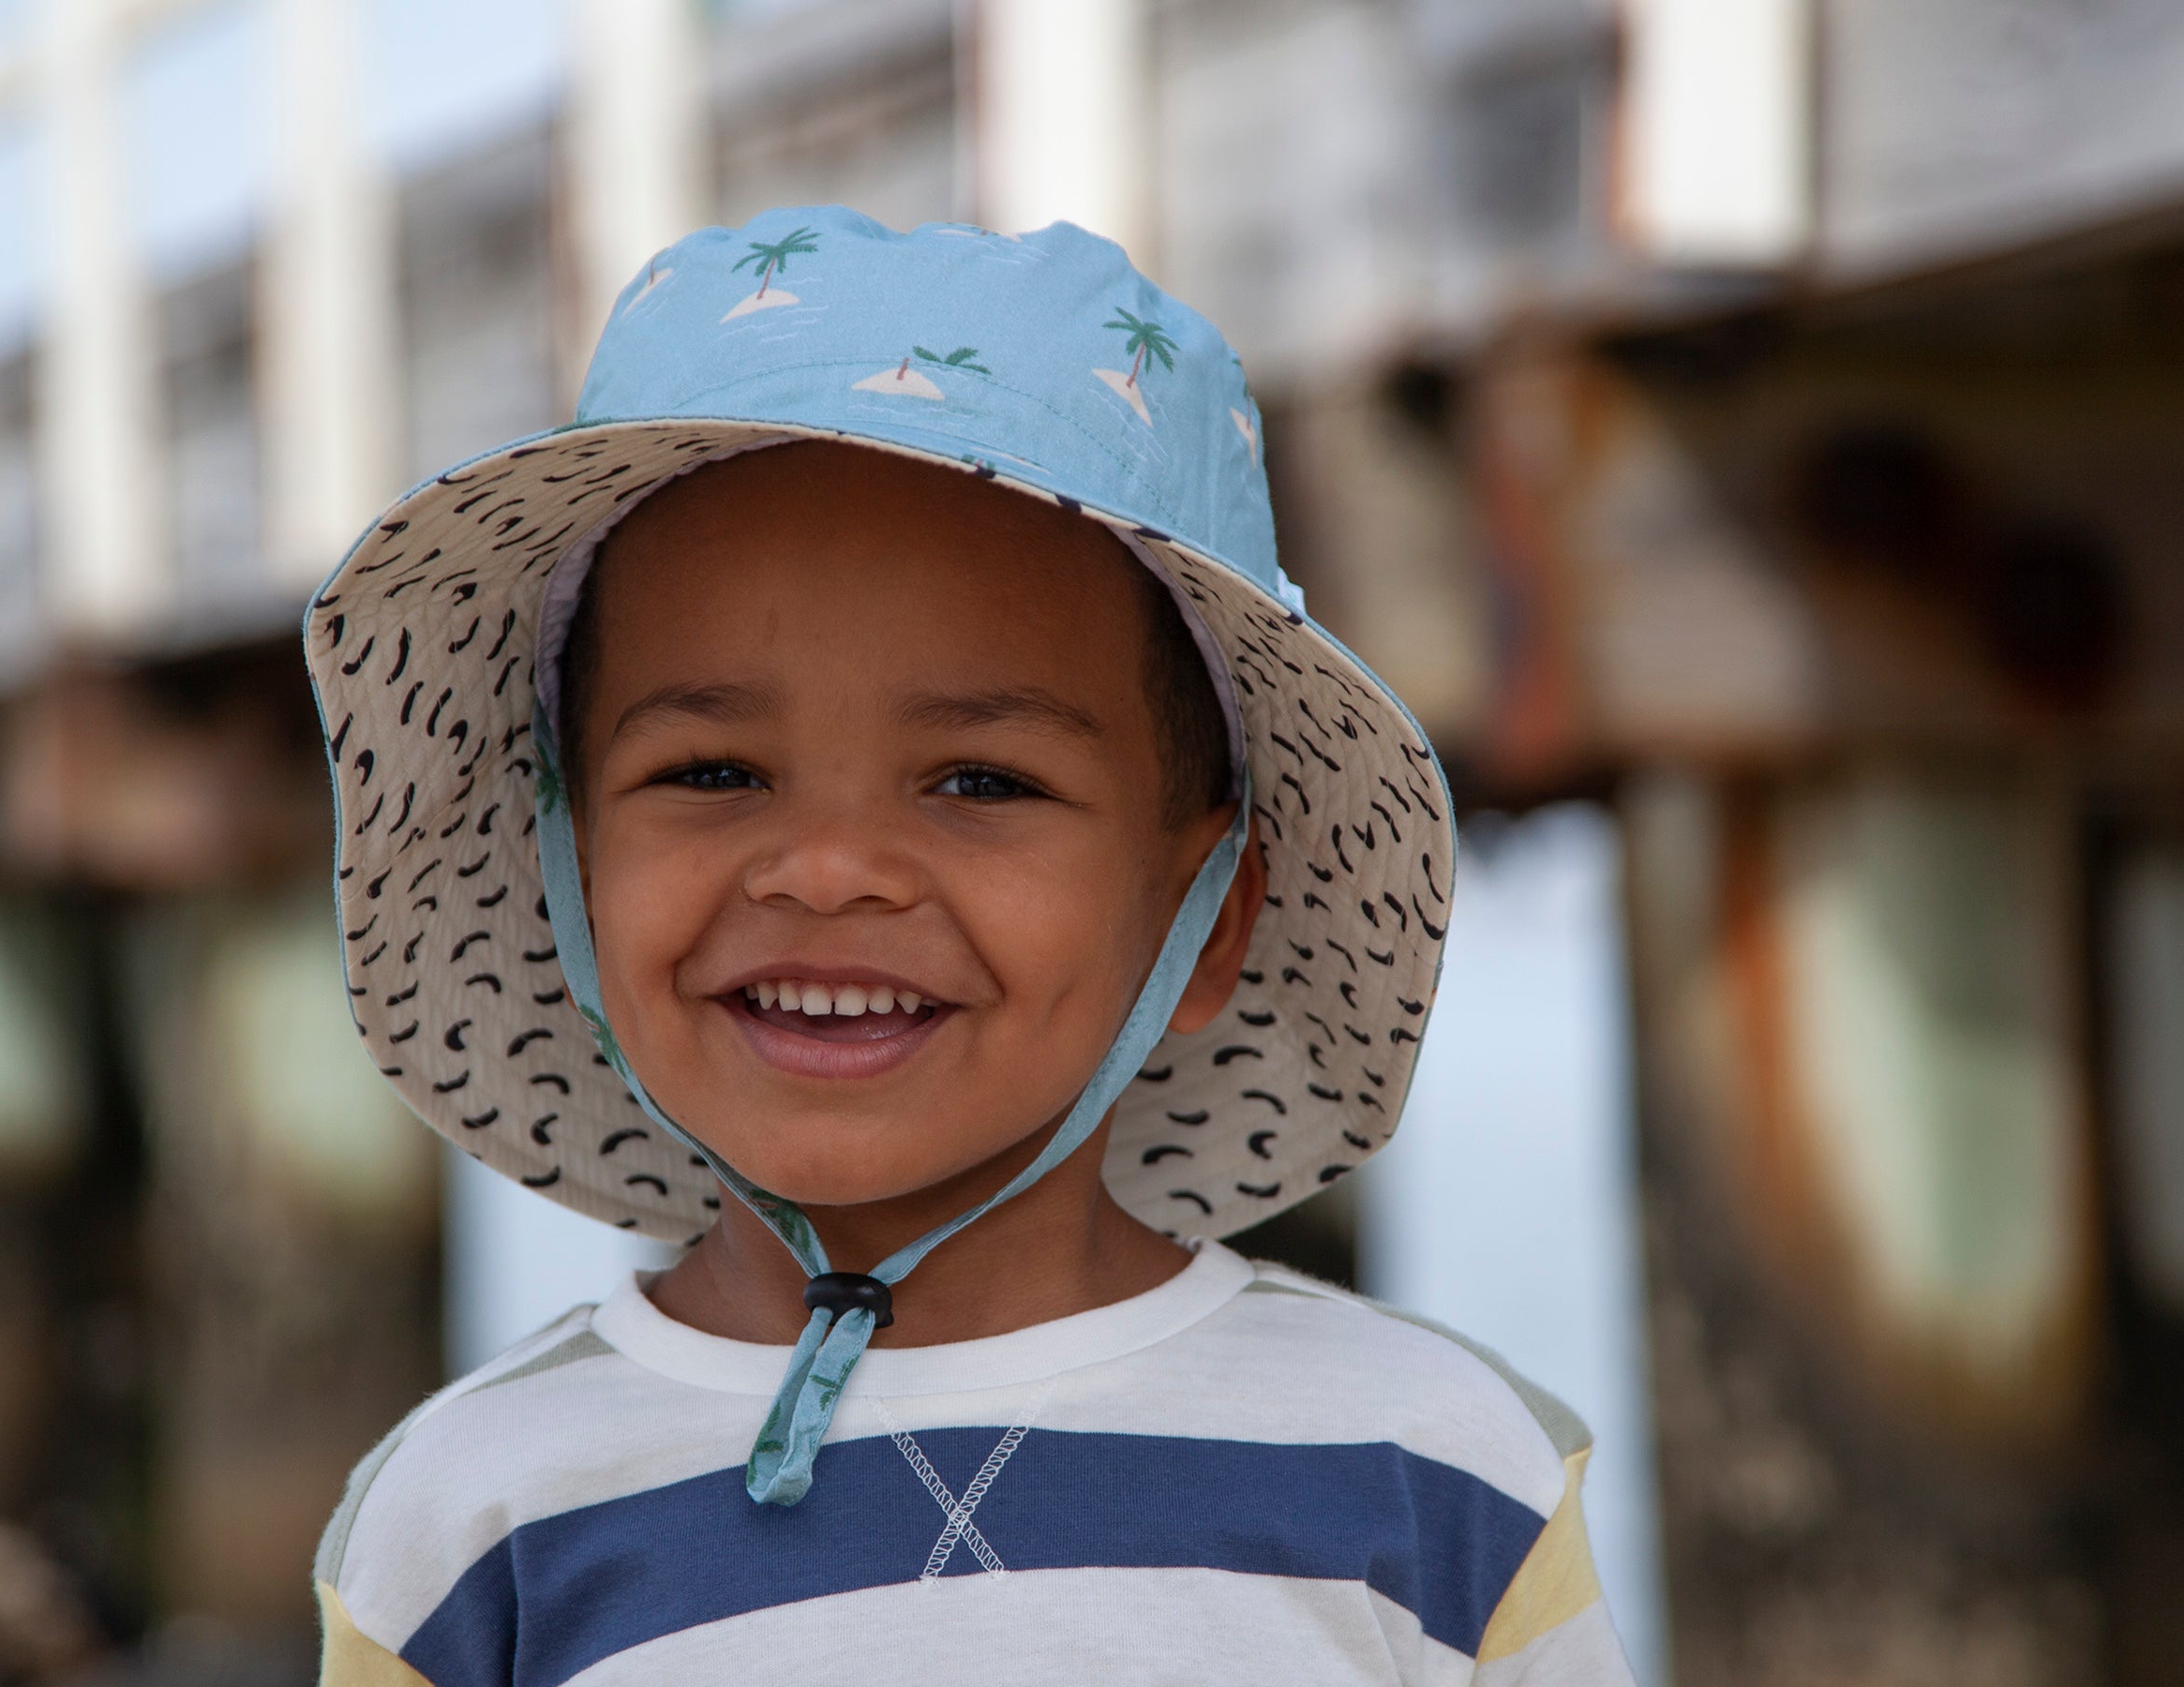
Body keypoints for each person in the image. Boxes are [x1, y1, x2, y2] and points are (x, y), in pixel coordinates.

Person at [304, 205, 1634, 1685]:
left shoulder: (1437, 1481)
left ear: (1210, 921)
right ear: (572, 872)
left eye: (982, 783)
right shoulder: (469, 1525)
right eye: (712, 773)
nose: (827, 872)